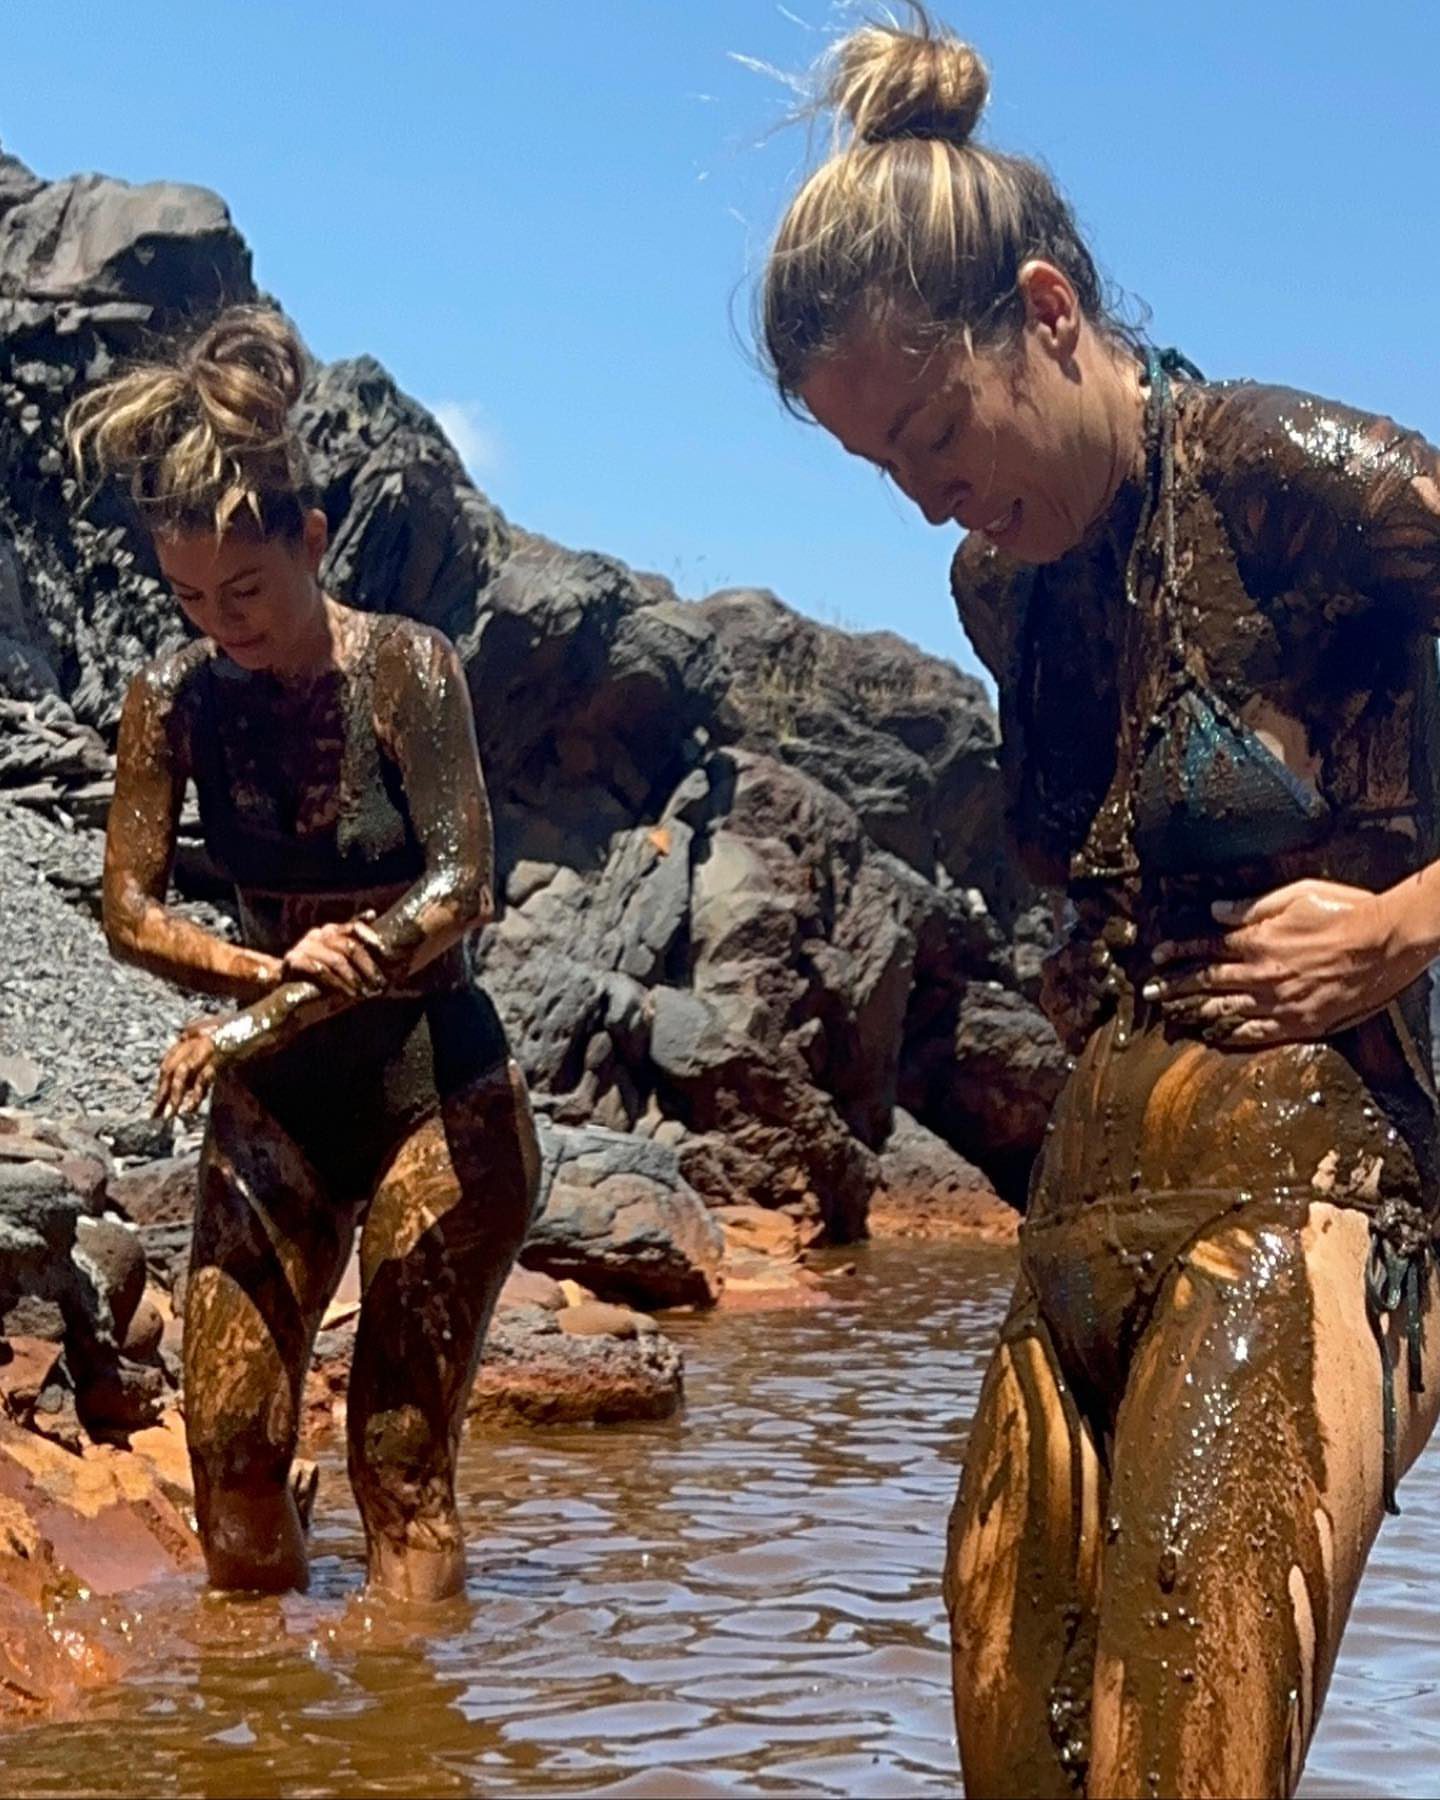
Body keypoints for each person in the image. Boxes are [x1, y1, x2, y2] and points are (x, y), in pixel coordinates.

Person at [760, 12, 1440, 1797]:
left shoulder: (1302, 479)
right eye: (875, 471)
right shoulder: (1012, 595)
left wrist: (1405, 924)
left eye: (931, 429)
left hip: (1326, 1189)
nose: (924, 500)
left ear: (1047, 315)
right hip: (1077, 1222)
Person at [68, 306, 540, 1603]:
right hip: (282, 1108)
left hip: (436, 1094)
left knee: (396, 1459)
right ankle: (257, 1743)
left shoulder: (408, 670)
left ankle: (403, 1751)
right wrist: (265, 983)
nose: (227, 625)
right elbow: (129, 912)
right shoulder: (170, 705)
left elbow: (460, 886)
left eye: (250, 592)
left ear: (311, 543)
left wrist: (257, 1014)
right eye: (192, 599)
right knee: (226, 1448)